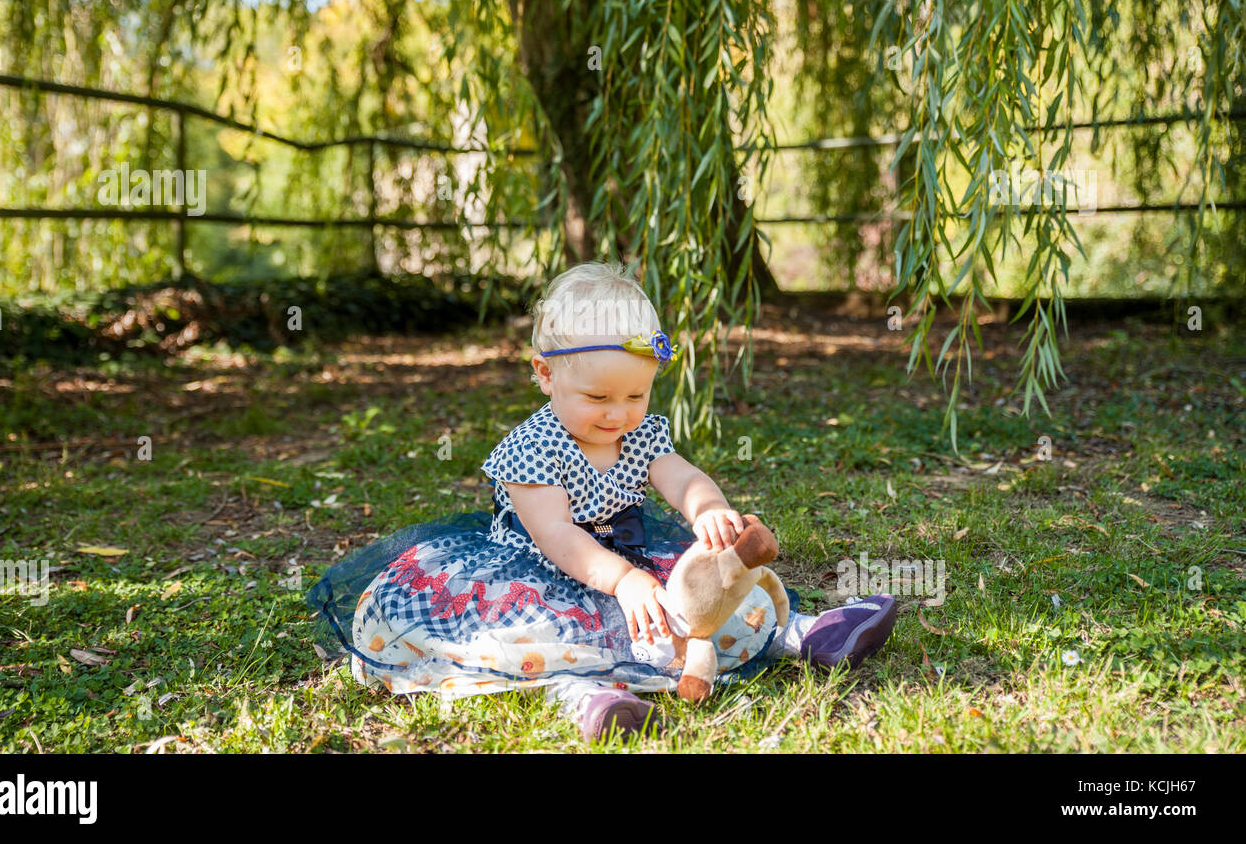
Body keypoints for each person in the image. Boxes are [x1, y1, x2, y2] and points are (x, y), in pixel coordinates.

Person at [306, 261, 898, 741]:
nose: (617, 413)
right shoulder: (531, 449)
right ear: (545, 373)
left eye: (635, 394)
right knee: (533, 636)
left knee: (697, 602)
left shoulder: (637, 433)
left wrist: (707, 507)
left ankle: (805, 633)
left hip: (625, 562)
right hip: (545, 572)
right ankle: (584, 697)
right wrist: (622, 581)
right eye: (598, 396)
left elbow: (680, 474)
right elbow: (559, 537)